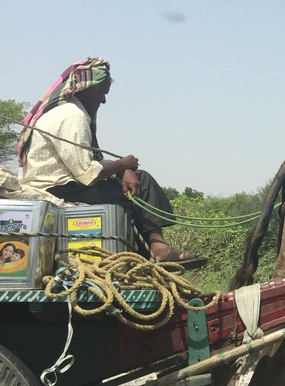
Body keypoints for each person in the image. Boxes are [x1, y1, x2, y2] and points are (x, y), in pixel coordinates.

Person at [18, 57, 203, 265]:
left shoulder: (66, 113)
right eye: (102, 93)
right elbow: (88, 174)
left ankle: (152, 252)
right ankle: (157, 249)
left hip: (65, 183)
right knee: (140, 185)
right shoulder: (72, 116)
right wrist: (125, 165)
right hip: (56, 188)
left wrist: (123, 170)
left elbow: (89, 162)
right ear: (88, 88)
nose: (103, 101)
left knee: (135, 181)